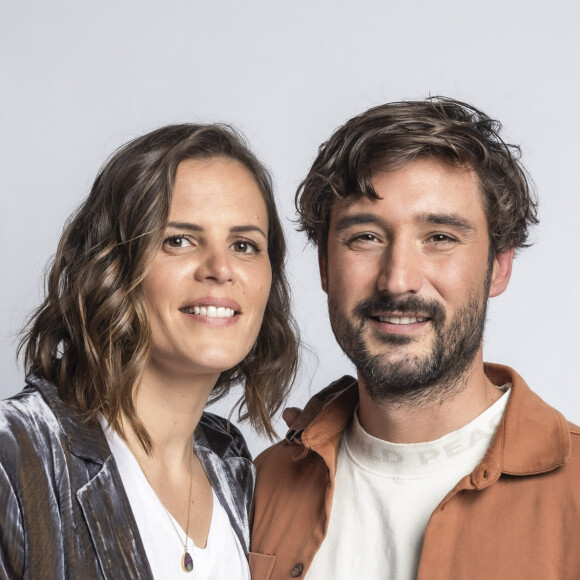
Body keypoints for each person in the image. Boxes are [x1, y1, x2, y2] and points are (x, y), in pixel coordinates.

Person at [250, 98, 580, 579]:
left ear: (499, 266)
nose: (397, 280)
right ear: (324, 265)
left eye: (440, 237)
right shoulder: (255, 489)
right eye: (365, 236)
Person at [0, 123, 298, 579]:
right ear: (112, 266)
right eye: (178, 240)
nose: (221, 269)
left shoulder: (236, 471)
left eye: (244, 245)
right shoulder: (17, 458)